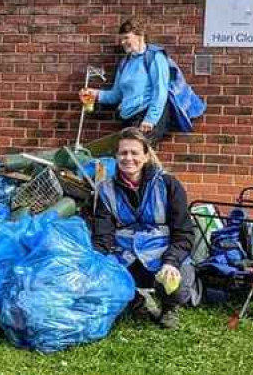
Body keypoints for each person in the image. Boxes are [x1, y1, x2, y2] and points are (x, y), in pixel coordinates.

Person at [92, 128, 195, 329]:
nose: (128, 158)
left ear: (146, 156)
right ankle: (135, 302)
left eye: (134, 153)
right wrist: (95, 263)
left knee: (177, 281)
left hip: (161, 256)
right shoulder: (105, 190)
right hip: (126, 256)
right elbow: (102, 236)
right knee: (102, 276)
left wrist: (171, 262)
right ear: (116, 156)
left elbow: (184, 233)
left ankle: (169, 308)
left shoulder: (168, 184)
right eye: (123, 153)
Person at [79, 19, 172, 145]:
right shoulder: (125, 62)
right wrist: (95, 93)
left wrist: (151, 119)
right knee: (130, 156)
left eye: (127, 38)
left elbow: (161, 91)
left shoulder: (154, 57)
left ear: (140, 36)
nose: (123, 42)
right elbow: (116, 95)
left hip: (145, 116)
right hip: (128, 117)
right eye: (122, 39)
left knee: (136, 155)